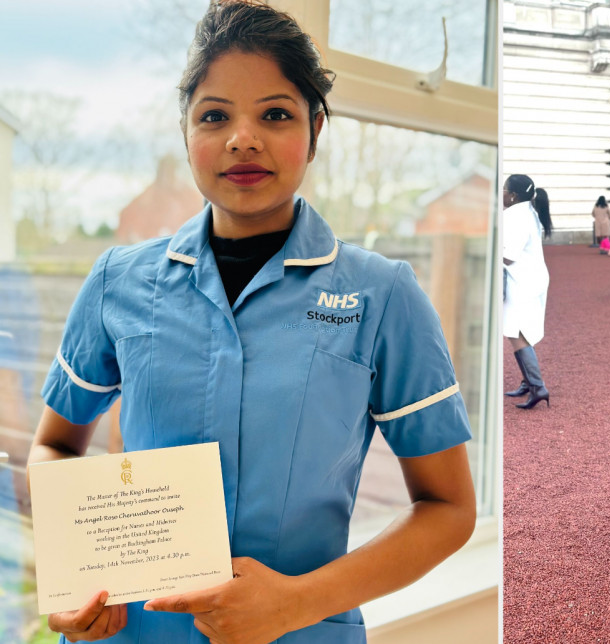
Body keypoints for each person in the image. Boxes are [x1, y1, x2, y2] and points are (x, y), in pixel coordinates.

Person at [28, 3, 476, 642]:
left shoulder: (382, 296)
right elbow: (54, 447)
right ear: (186, 134)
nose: (243, 138)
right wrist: (74, 576)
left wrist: (298, 603)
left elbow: (450, 508)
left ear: (315, 130)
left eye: (275, 114)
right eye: (215, 116)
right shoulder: (115, 283)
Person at [503, 174, 552, 410]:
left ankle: (537, 386)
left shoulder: (515, 215)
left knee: (517, 332)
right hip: (530, 278)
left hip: (522, 281)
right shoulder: (527, 211)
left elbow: (509, 257)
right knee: (519, 331)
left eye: (504, 189)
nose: (501, 194)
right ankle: (528, 382)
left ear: (512, 195)